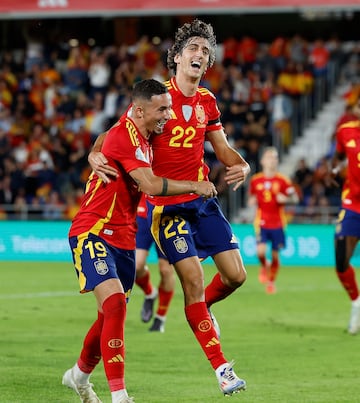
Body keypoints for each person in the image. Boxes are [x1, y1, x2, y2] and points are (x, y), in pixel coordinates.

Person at [89, 19, 250, 396]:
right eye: (193, 48)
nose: (200, 54)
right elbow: (114, 134)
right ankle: (223, 370)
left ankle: (202, 311)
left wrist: (241, 164)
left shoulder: (207, 100)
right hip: (166, 209)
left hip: (203, 203)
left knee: (236, 277)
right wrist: (95, 152)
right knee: (192, 282)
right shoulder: (157, 97)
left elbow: (223, 151)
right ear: (176, 57)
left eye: (205, 51)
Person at [62, 78, 217, 403]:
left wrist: (94, 151)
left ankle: (78, 375)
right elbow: (148, 183)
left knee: (108, 314)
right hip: (93, 229)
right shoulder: (125, 133)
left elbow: (104, 138)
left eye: (168, 107)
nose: (168, 114)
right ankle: (120, 396)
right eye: (162, 109)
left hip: (124, 238)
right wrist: (195, 185)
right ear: (140, 109)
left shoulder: (147, 134)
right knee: (116, 305)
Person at [248, 146, 299, 294]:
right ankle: (264, 265)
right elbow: (251, 197)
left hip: (278, 223)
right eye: (269, 157)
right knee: (261, 252)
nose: (272, 160)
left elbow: (295, 198)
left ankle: (271, 281)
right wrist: (252, 201)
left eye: (275, 158)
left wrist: (287, 199)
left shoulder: (283, 181)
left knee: (276, 255)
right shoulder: (255, 180)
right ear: (263, 161)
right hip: (261, 221)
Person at [330, 97, 360, 335]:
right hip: (352, 203)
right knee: (341, 260)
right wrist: (335, 169)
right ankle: (356, 303)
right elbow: (339, 157)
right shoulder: (346, 132)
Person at [135, 192, 175, 332]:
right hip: (143, 214)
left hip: (168, 216)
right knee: (136, 266)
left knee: (166, 270)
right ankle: (150, 293)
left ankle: (160, 318)